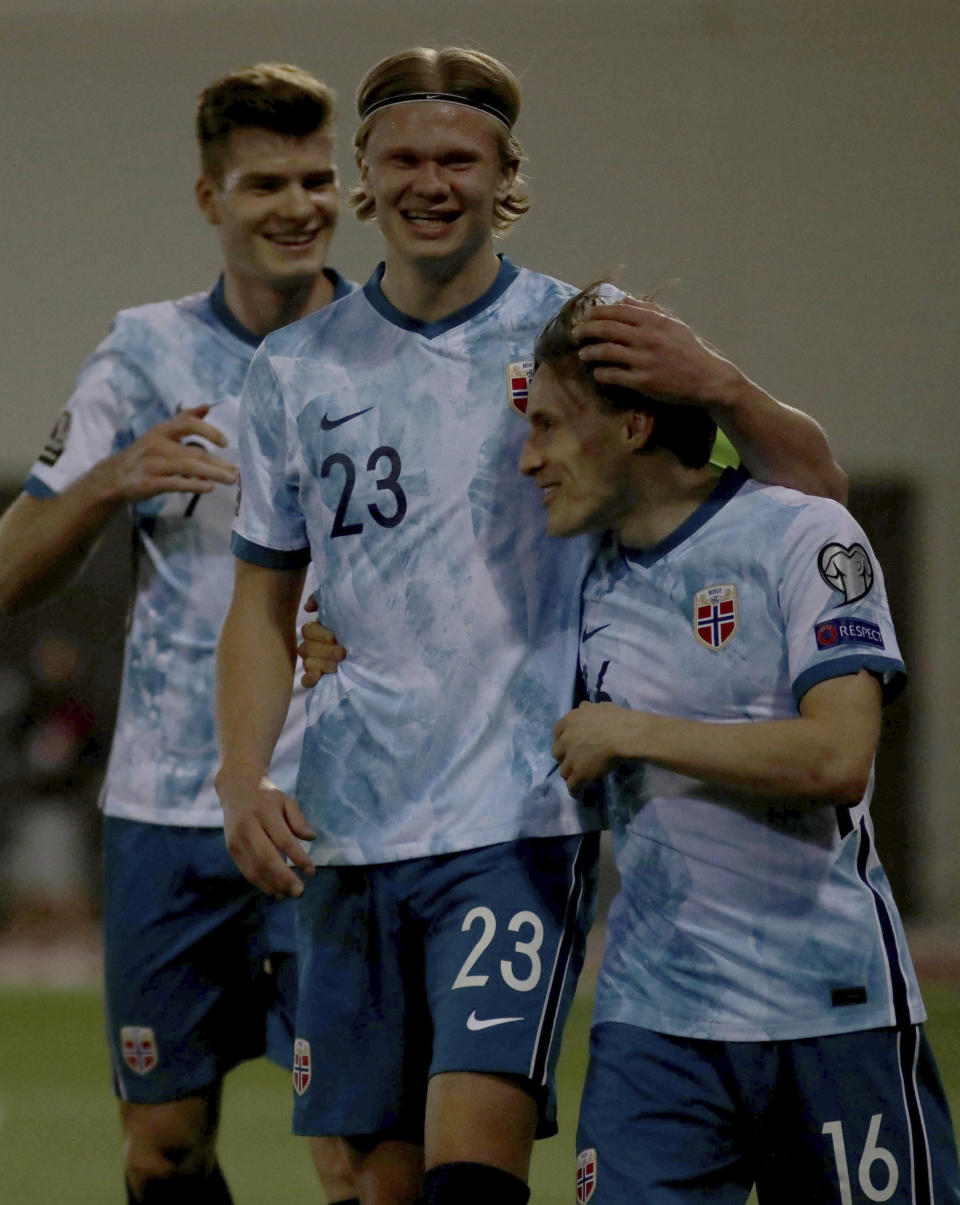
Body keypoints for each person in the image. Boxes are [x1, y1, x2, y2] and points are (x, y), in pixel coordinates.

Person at [214, 46, 847, 1205]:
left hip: (518, 815)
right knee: (367, 1178)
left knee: (474, 1168)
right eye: (403, 156)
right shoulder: (295, 370)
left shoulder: (583, 334)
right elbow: (263, 599)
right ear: (362, 171)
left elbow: (812, 491)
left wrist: (723, 386)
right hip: (347, 819)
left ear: (509, 173)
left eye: (461, 157)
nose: (430, 180)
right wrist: (243, 774)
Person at [0, 63, 357, 1205]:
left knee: (356, 1144)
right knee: (162, 1146)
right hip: (167, 806)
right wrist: (111, 480)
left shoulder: (387, 354)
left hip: (339, 803)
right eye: (266, 184)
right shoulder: (141, 354)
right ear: (211, 199)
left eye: (316, 179)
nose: (297, 206)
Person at [518, 285, 960, 1204]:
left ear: (634, 426)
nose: (530, 460)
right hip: (655, 1020)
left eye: (551, 427)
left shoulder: (800, 535)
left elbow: (838, 759)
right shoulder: (574, 579)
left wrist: (633, 729)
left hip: (830, 1010)